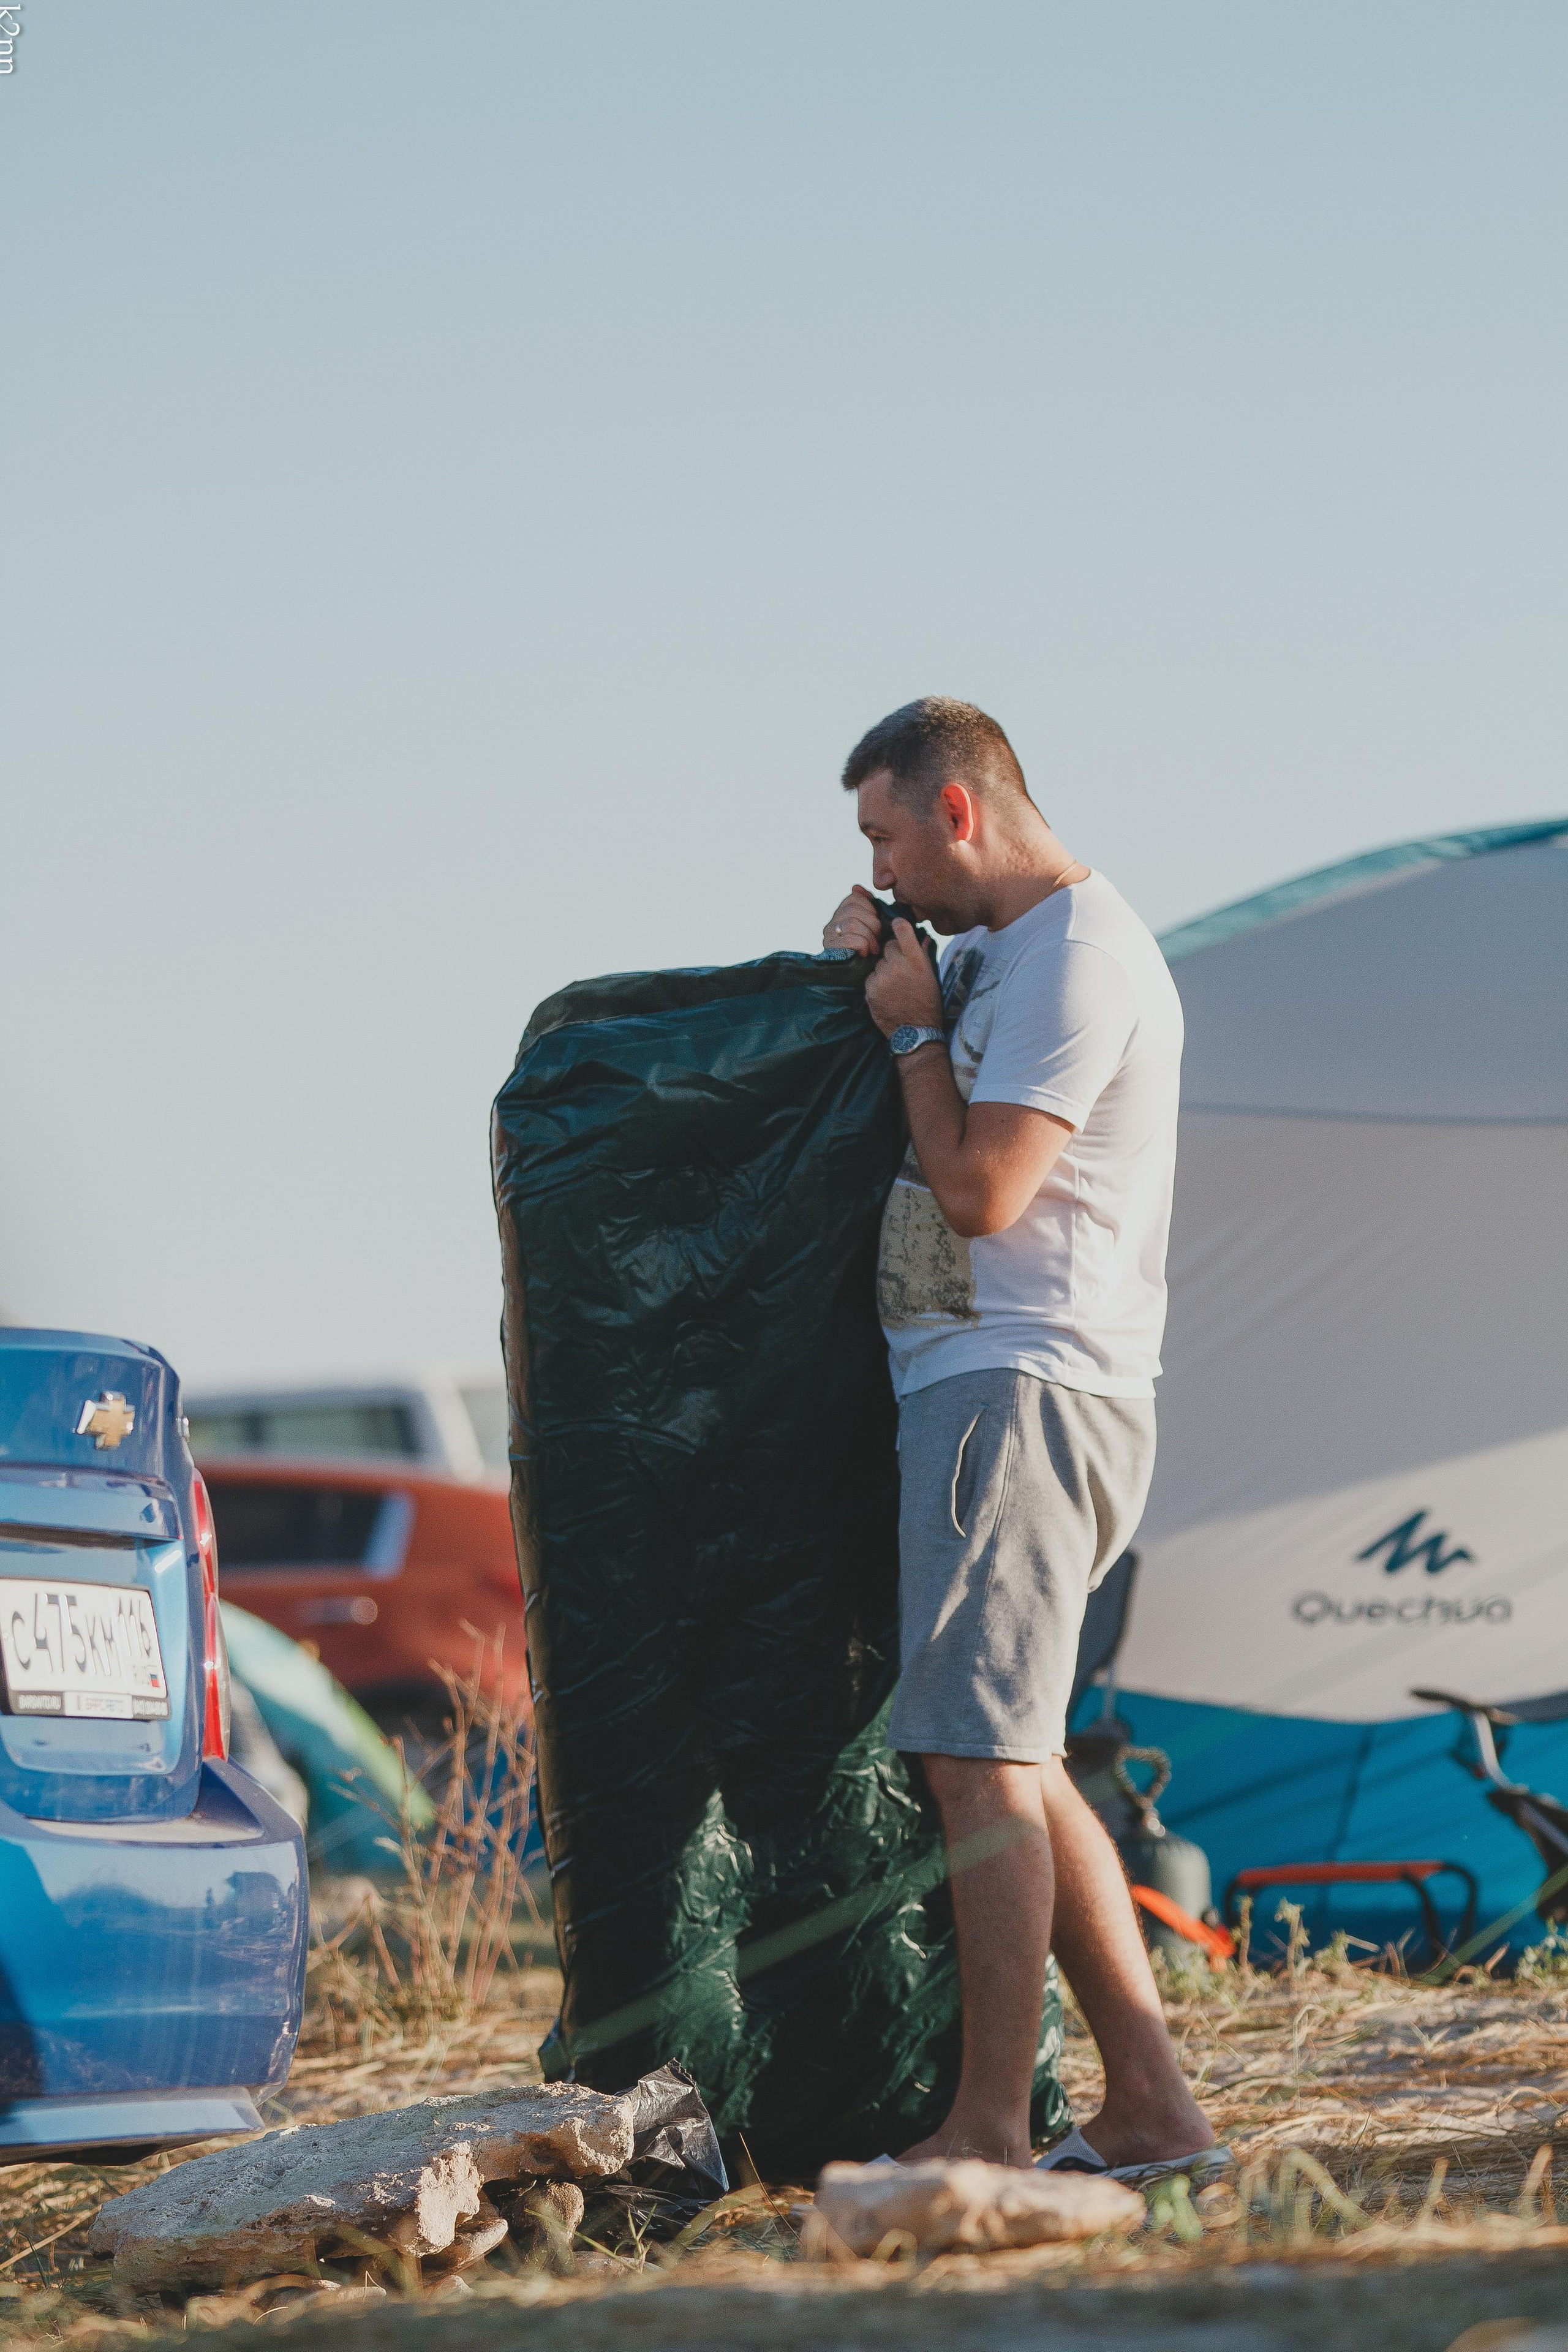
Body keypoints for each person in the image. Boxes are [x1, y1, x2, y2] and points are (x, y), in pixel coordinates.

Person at [823, 696, 1218, 2180]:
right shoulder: (1009, 950)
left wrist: (916, 1033)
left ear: (959, 810)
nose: (877, 863)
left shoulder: (1080, 959)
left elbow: (986, 1193)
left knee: (976, 1760)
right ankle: (1151, 2114)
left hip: (1023, 1391)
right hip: (1001, 1392)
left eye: (883, 833)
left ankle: (987, 2129)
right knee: (1019, 1757)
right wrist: (881, 971)